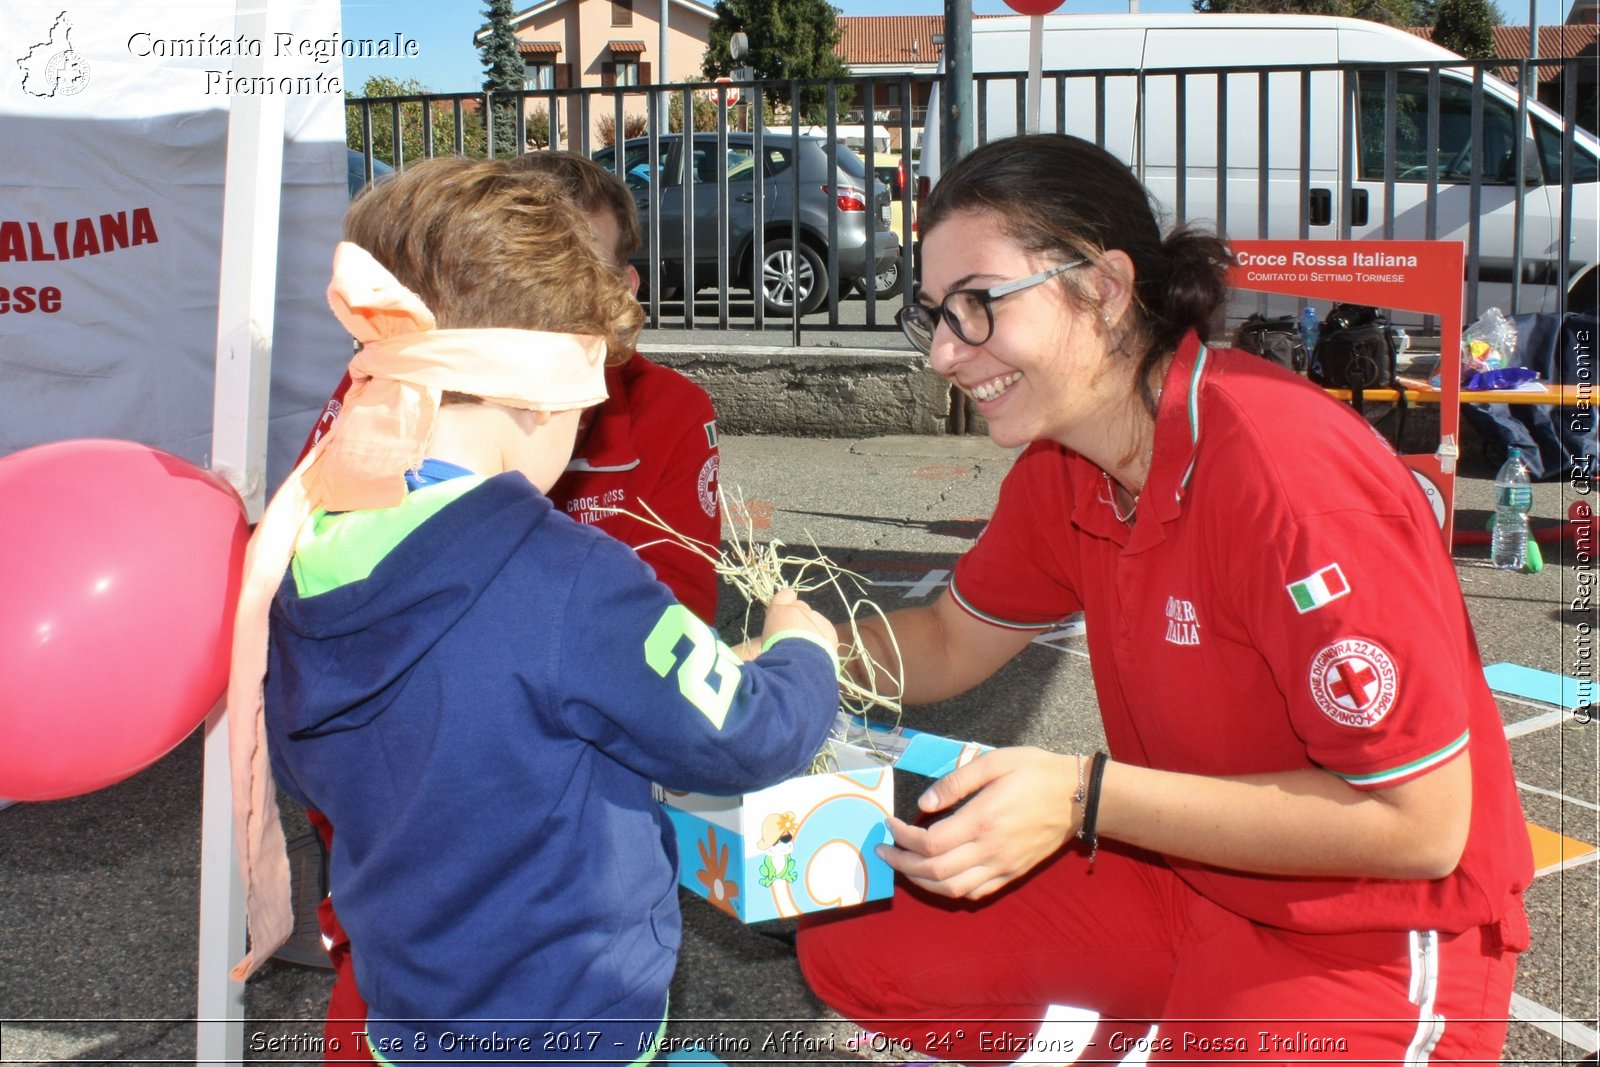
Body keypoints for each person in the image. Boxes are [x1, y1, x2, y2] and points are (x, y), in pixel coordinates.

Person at [796, 135, 1533, 1064]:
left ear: (1104, 287)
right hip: (1192, 878)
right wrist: (797, 655)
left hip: (1375, 926)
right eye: (935, 314)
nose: (946, 352)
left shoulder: (1286, 475)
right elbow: (948, 637)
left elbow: (1420, 826)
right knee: (857, 934)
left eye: (979, 304)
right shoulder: (1063, 466)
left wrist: (1081, 794)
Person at [225, 156, 843, 1063]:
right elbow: (747, 733)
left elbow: (308, 755)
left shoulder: (301, 547)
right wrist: (804, 650)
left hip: (412, 1012)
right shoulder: (568, 580)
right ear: (536, 397)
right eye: (583, 406)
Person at [300, 150, 724, 1060]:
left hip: (560, 815)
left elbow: (681, 606)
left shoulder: (670, 409)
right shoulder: (382, 393)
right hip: (418, 846)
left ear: (624, 286)